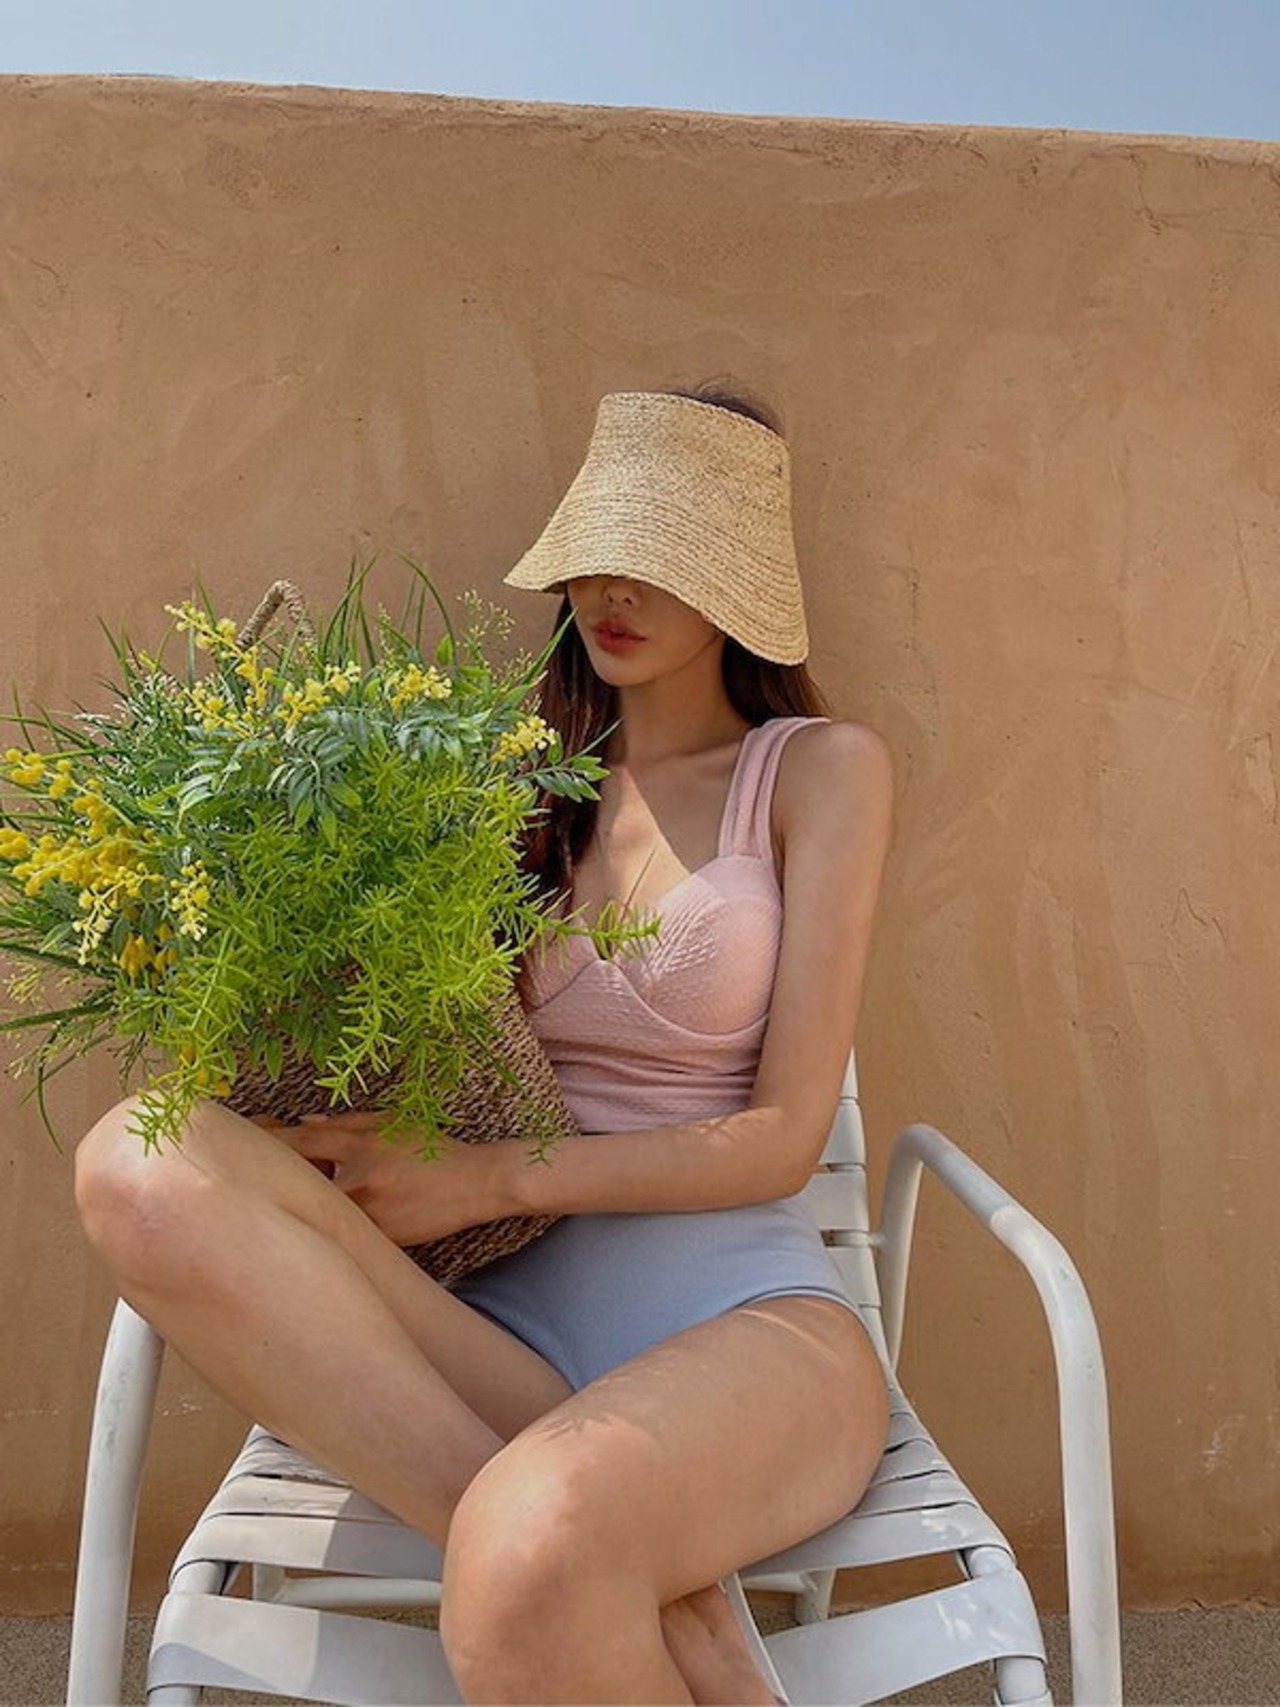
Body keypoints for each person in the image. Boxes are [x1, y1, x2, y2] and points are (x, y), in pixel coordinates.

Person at [74, 386, 894, 1704]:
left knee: (533, 1549)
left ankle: (560, 1556)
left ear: (734, 587)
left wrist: (487, 1176)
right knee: (134, 1158)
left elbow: (781, 1140)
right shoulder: (491, 782)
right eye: (597, 551)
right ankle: (652, 1601)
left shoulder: (816, 770)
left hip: (738, 1327)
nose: (613, 589)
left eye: (661, 558)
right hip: (478, 1333)